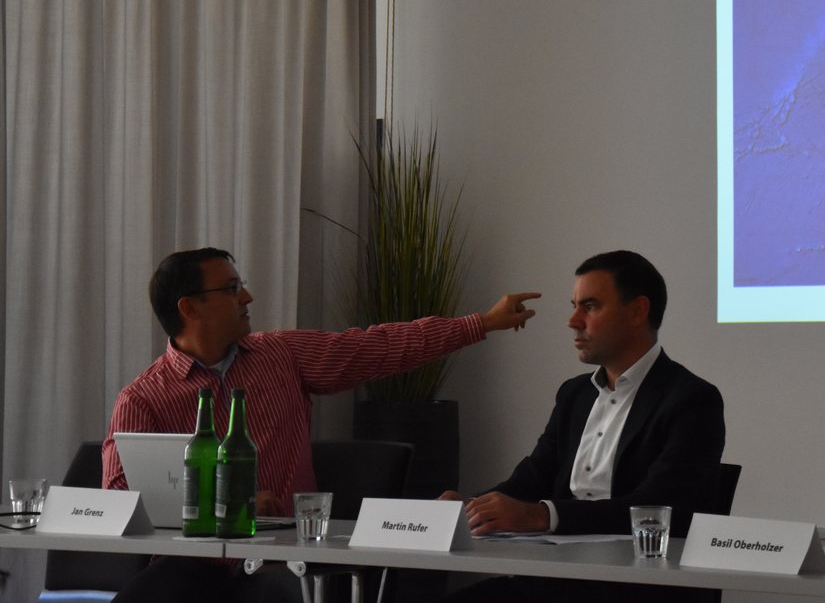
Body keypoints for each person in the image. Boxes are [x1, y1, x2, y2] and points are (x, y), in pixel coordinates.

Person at [104, 246, 538, 603]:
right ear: (189, 307)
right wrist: (229, 505)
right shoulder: (141, 398)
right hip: (189, 566)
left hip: (283, 560)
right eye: (232, 288)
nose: (248, 298)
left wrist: (479, 323)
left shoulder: (282, 355)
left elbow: (378, 347)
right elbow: (120, 501)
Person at [440, 250, 725, 602]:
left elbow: (658, 507)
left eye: (589, 306)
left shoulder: (692, 399)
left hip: (638, 589)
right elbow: (533, 477)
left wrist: (542, 516)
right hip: (556, 576)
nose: (573, 321)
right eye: (574, 305)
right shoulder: (575, 393)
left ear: (638, 311)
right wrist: (470, 506)